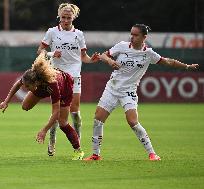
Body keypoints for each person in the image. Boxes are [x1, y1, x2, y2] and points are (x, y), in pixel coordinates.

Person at [83, 24, 199, 161]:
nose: (132, 37)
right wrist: (110, 61)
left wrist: (186, 66)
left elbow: (168, 62)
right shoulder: (122, 46)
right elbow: (103, 55)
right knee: (98, 119)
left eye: (135, 35)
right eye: (131, 34)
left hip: (128, 92)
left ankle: (152, 153)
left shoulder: (148, 54)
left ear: (144, 37)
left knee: (132, 122)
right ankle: (96, 155)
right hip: (112, 88)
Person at [0, 51, 85, 160]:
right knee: (25, 106)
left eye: (28, 86)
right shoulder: (30, 75)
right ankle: (54, 125)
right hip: (42, 87)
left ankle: (78, 150)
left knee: (62, 122)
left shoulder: (53, 84)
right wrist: (6, 101)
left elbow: (55, 112)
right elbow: (18, 84)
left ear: (35, 83)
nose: (26, 89)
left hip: (65, 87)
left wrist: (44, 130)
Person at [37, 2, 99, 156]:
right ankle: (52, 143)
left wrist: (92, 60)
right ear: (59, 16)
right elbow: (40, 51)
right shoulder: (52, 32)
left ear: (73, 18)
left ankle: (77, 143)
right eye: (63, 17)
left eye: (69, 18)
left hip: (74, 77)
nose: (65, 20)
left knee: (75, 113)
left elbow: (83, 57)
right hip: (56, 76)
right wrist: (51, 54)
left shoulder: (79, 34)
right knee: (57, 113)